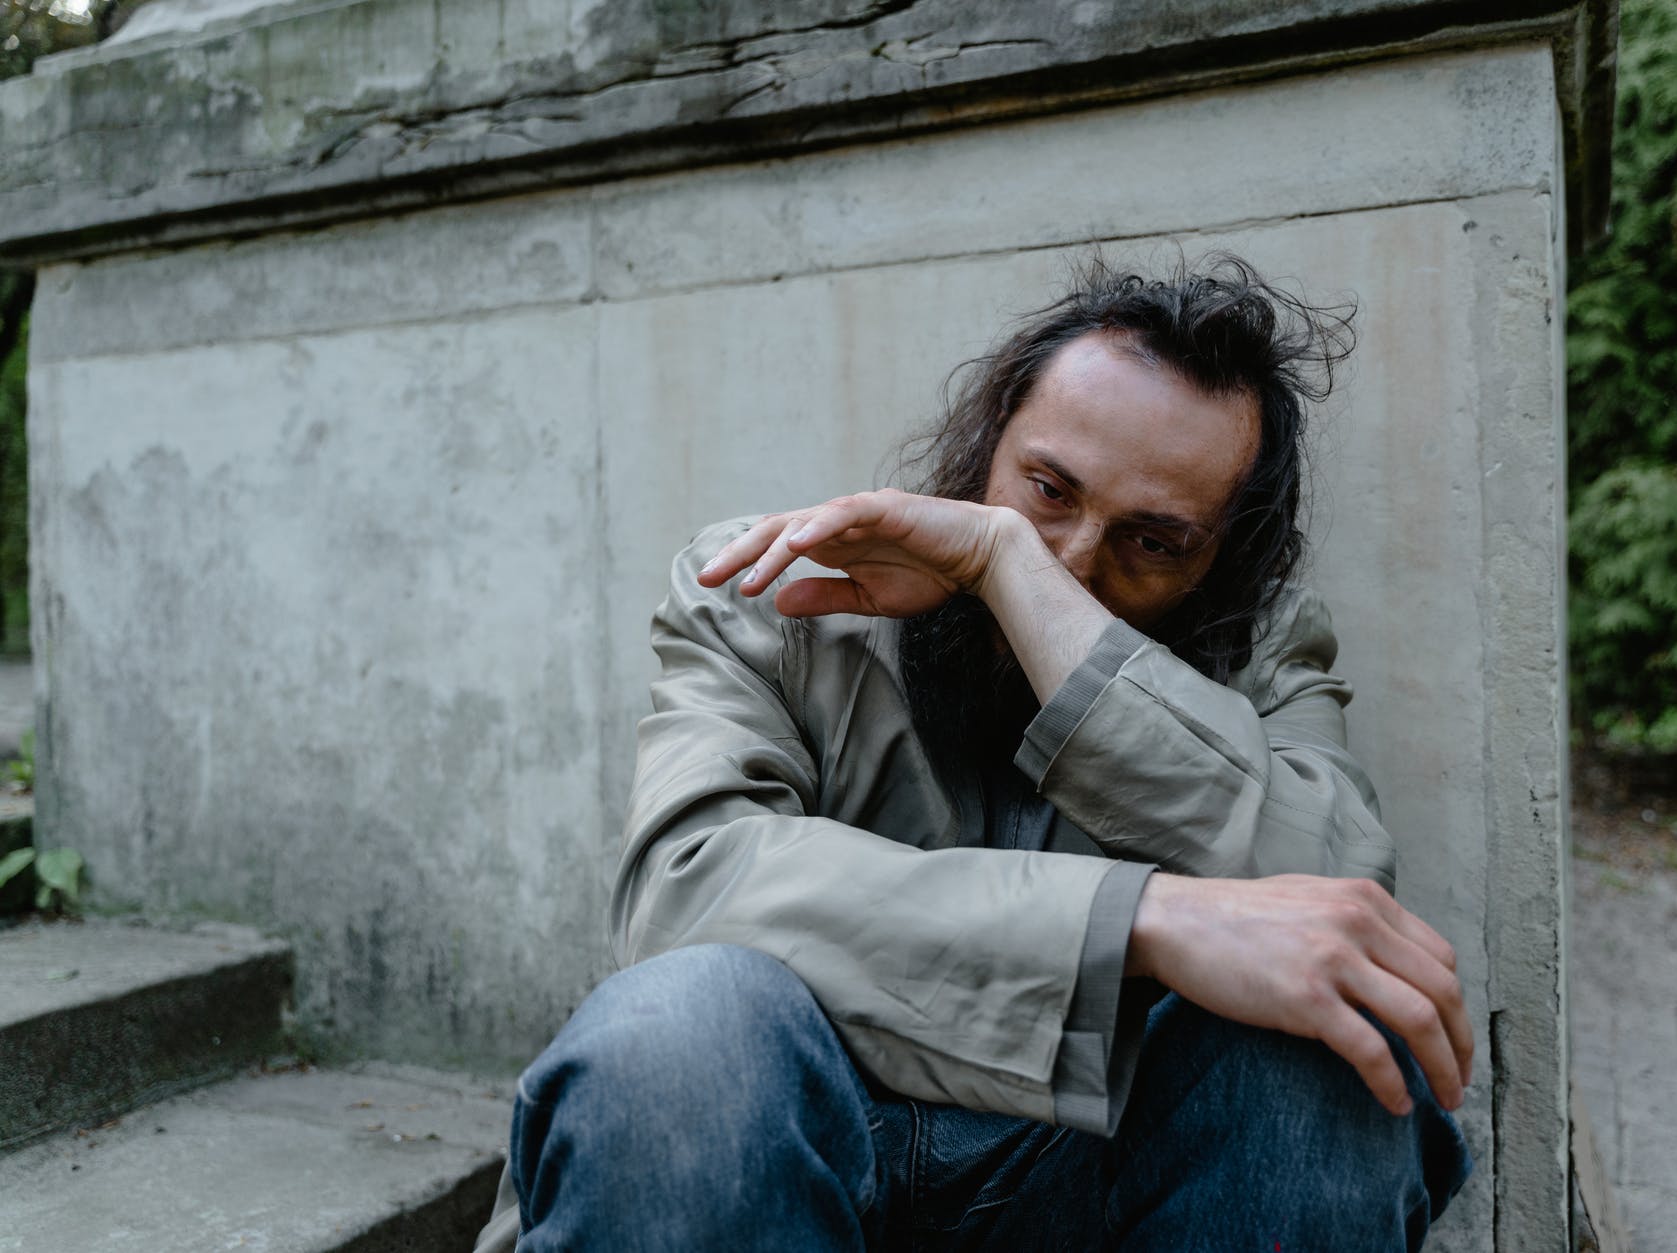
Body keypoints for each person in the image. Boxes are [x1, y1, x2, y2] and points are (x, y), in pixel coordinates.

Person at [476, 255, 1473, 1252]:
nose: (1071, 561)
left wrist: (1013, 571)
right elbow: (685, 890)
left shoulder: (1261, 648)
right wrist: (1141, 922)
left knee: (1339, 1038)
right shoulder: (773, 585)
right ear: (988, 441)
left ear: (1221, 559)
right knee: (683, 1026)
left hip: (1089, 1170)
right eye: (1046, 490)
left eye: (1153, 542)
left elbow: (1333, 894)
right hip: (788, 1132)